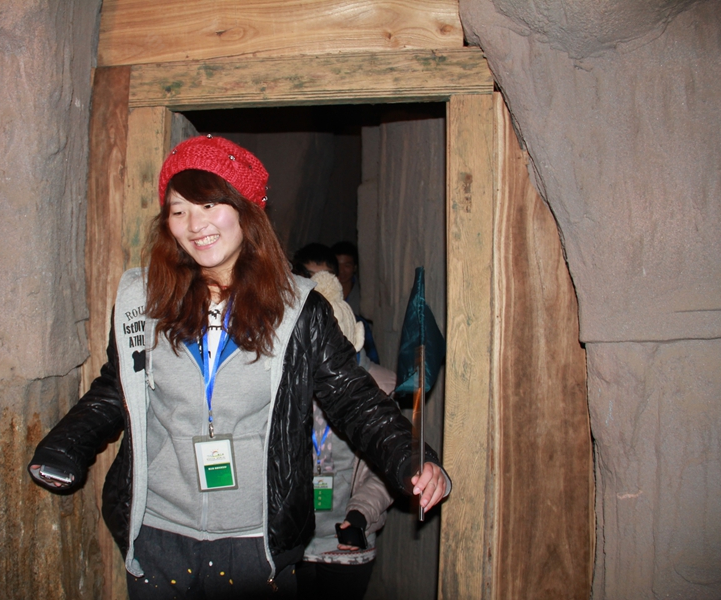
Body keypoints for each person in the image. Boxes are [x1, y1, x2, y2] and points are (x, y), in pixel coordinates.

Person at [28, 135, 448, 599]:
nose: (195, 224)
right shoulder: (142, 300)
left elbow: (353, 397)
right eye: (178, 210)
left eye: (210, 204)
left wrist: (411, 458)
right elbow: (118, 386)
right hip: (159, 534)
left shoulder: (298, 310)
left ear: (246, 210)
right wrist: (66, 444)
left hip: (255, 544)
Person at [294, 270, 399, 600]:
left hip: (348, 546)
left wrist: (360, 514)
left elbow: (385, 469)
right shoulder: (287, 389)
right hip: (292, 546)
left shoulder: (380, 389)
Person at [331, 240, 380, 364]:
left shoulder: (364, 296)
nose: (341, 271)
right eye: (338, 265)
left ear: (355, 267)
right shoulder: (325, 295)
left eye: (347, 265)